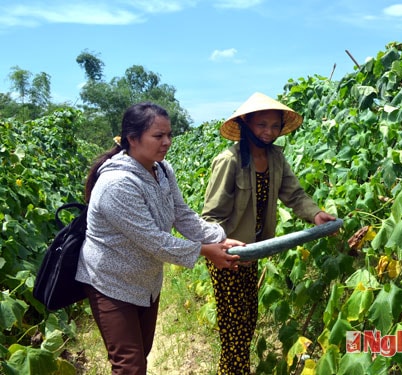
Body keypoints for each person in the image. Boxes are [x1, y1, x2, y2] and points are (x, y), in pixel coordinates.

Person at [75, 102, 242, 374]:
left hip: (146, 281)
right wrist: (207, 251)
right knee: (129, 366)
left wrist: (221, 238)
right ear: (132, 139)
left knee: (143, 352)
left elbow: (182, 214)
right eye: (158, 136)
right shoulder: (117, 184)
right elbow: (155, 241)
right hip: (110, 283)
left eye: (169, 135)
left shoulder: (162, 169)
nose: (167, 142)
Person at [201, 92, 336, 374]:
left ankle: (234, 370)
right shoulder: (230, 161)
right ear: (246, 124)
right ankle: (233, 371)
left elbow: (294, 194)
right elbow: (210, 217)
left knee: (247, 321)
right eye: (262, 124)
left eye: (275, 126)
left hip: (253, 252)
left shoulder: (276, 157)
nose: (269, 132)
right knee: (234, 328)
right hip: (228, 254)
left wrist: (316, 214)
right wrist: (222, 245)